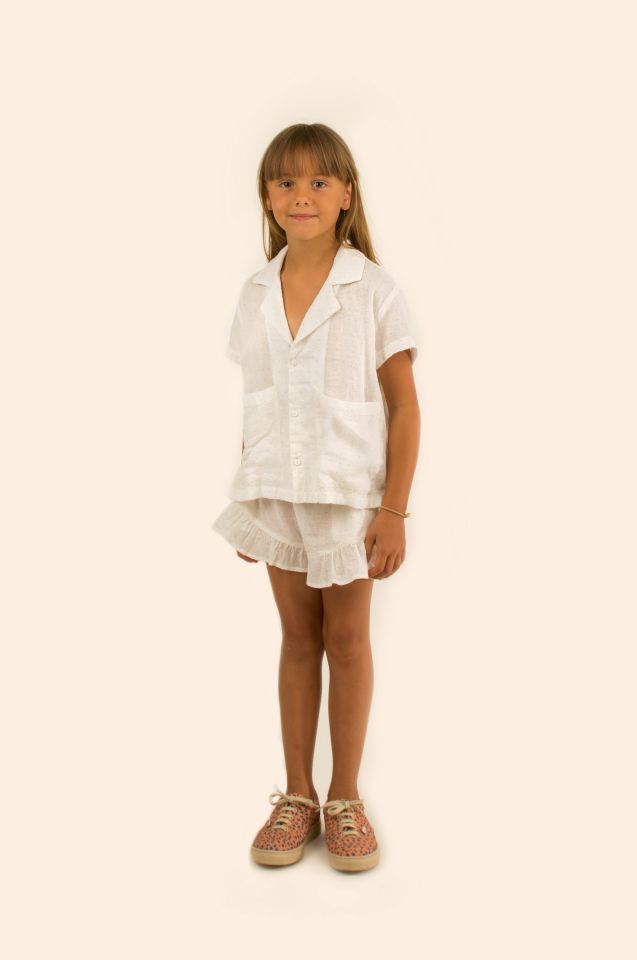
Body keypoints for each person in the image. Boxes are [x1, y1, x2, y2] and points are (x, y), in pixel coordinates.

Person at [212, 122, 420, 872]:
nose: (302, 195)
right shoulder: (255, 293)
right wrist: (252, 497)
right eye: (286, 182)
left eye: (318, 182)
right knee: (297, 642)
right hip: (279, 493)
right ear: (267, 197)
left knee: (348, 642)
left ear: (346, 196)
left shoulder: (374, 290)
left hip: (350, 499)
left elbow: (404, 406)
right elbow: (259, 399)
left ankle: (345, 798)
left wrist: (393, 510)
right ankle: (296, 795)